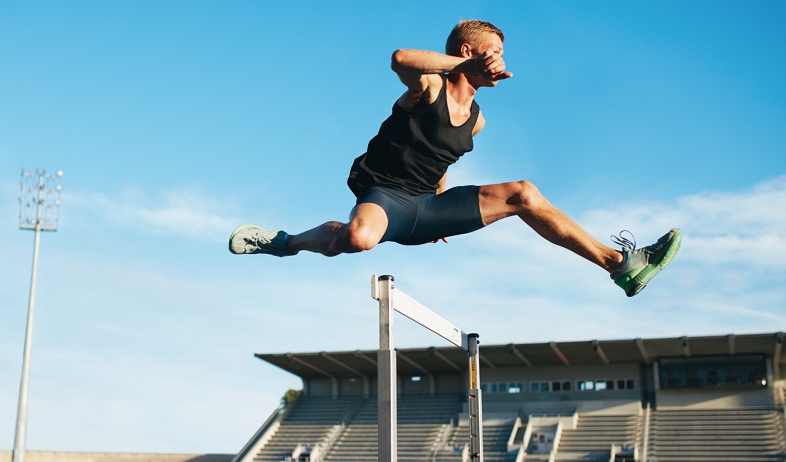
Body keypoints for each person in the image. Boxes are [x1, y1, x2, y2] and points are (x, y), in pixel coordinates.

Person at [229, 20, 681, 297]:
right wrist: (460, 67)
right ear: (468, 53)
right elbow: (400, 57)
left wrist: (442, 210)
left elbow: (442, 160)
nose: (503, 64)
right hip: (386, 197)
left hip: (429, 209)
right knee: (359, 238)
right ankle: (284, 242)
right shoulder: (429, 87)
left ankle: (621, 266)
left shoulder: (478, 121)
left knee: (524, 193)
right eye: (496, 53)